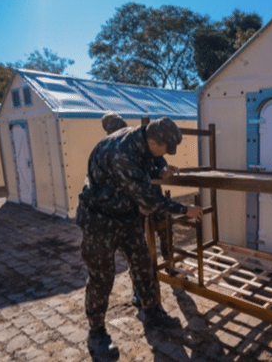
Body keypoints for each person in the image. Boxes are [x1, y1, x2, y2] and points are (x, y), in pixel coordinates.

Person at [77, 116, 203, 362]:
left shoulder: (143, 142)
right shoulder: (121, 152)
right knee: (102, 277)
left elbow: (145, 169)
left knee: (143, 264)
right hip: (99, 221)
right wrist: (186, 210)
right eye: (166, 149)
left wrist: (160, 170)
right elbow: (148, 200)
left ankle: (152, 311)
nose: (167, 153)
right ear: (154, 141)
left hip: (127, 217)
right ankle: (96, 333)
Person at [100, 112, 174, 308]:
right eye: (112, 130)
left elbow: (158, 158)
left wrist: (163, 169)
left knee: (165, 229)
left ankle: (170, 265)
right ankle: (139, 289)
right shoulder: (109, 148)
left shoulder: (139, 139)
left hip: (152, 195)